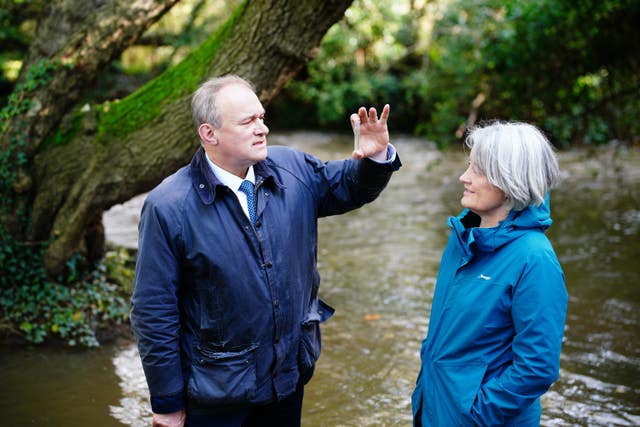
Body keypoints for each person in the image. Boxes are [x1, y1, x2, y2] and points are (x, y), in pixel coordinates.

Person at [130, 74, 401, 427]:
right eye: (248, 122)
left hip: (286, 379)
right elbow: (153, 310)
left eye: (261, 117)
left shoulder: (293, 170)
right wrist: (166, 402)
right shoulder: (168, 207)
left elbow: (349, 187)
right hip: (215, 394)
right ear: (209, 134)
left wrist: (376, 156)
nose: (263, 129)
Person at [411, 121, 568, 426]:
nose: (464, 178)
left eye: (477, 170)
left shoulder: (535, 259)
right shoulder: (461, 239)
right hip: (434, 409)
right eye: (468, 166)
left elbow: (537, 368)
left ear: (511, 180)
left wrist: (474, 414)